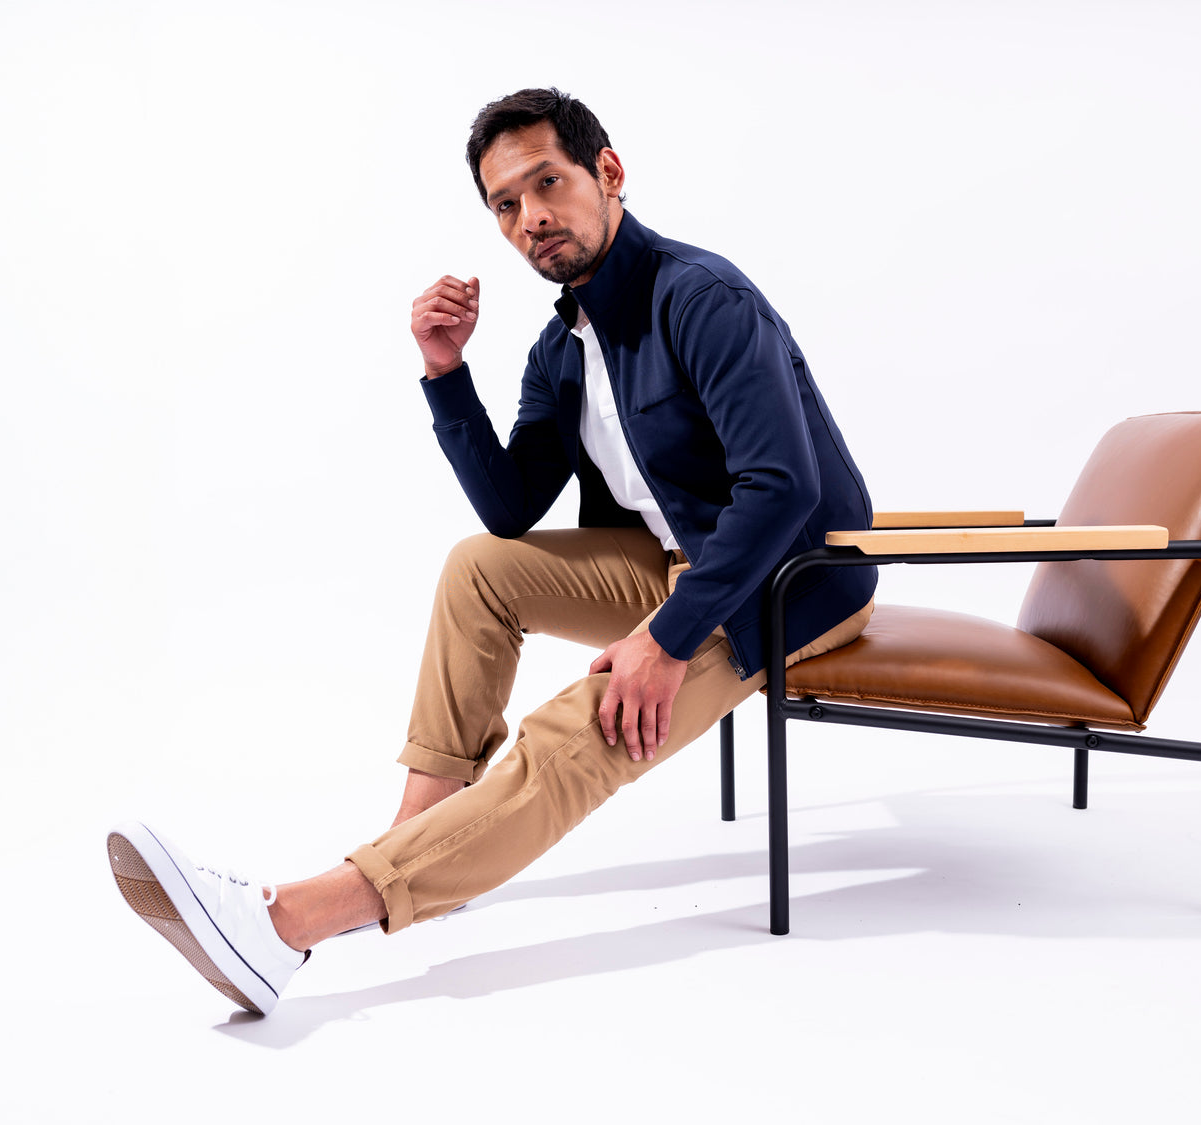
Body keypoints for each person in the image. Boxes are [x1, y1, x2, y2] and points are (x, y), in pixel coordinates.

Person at [107, 87, 877, 1016]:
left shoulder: (700, 299)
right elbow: (510, 509)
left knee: (584, 723)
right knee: (480, 568)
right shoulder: (563, 344)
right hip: (678, 556)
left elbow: (781, 487)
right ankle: (425, 843)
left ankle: (285, 927)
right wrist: (445, 368)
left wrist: (665, 639)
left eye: (547, 183)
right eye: (506, 205)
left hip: (787, 578)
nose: (531, 219)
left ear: (609, 172)